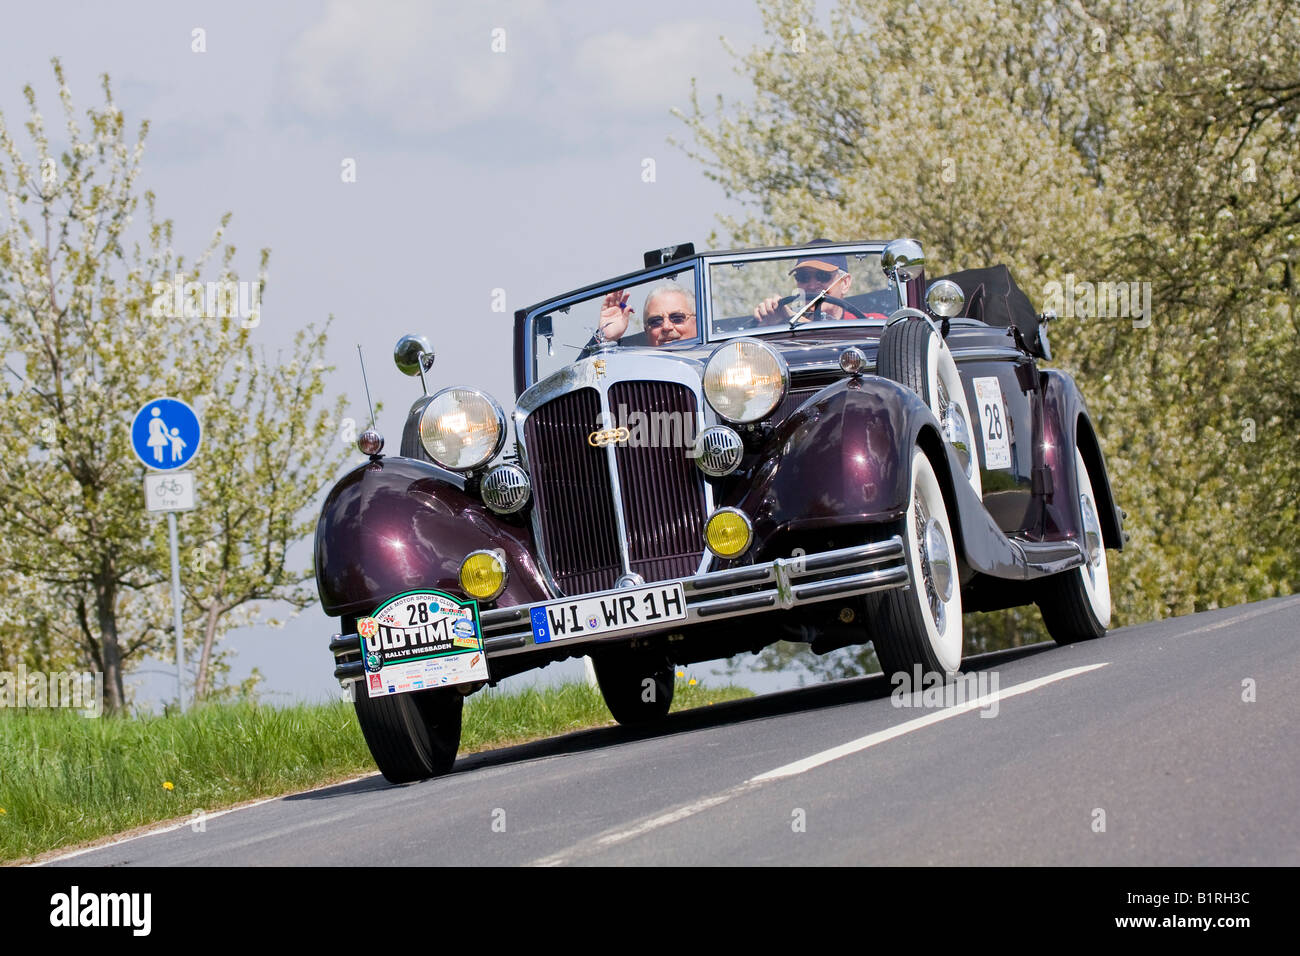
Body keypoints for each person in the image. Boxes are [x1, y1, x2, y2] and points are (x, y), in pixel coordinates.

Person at [753, 239, 858, 325]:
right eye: (803, 277)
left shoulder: (867, 324)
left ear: (845, 283)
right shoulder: (786, 328)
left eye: (822, 276)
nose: (812, 286)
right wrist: (772, 325)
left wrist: (794, 319)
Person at [597, 282, 698, 347]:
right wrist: (605, 339)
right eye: (656, 321)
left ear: (697, 323)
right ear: (646, 331)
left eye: (677, 318)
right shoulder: (634, 370)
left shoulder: (712, 362)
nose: (666, 327)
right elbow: (587, 377)